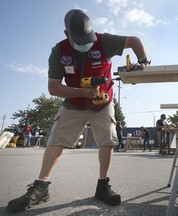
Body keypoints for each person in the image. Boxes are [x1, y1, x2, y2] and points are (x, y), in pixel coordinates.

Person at [7, 9, 150, 213]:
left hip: (102, 102)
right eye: (80, 40)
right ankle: (40, 187)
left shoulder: (104, 41)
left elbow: (135, 40)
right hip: (74, 102)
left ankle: (102, 186)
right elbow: (53, 88)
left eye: (88, 38)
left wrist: (143, 60)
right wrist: (82, 92)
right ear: (68, 34)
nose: (87, 43)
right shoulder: (59, 51)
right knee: (55, 139)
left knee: (107, 141)